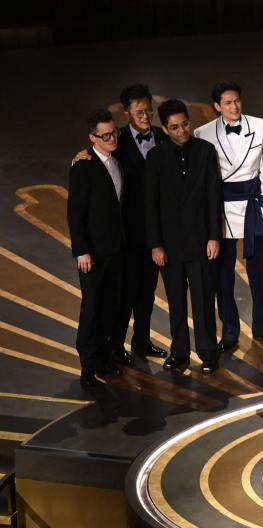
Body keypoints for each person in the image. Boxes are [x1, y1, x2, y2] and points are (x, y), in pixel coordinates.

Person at [73, 85, 170, 361]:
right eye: (139, 111)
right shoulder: (119, 140)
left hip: (155, 233)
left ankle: (142, 341)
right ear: (126, 112)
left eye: (148, 110)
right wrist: (78, 156)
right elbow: (97, 154)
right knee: (125, 294)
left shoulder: (162, 138)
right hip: (126, 234)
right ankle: (116, 346)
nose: (145, 115)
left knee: (148, 292)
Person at [194, 81, 263, 353]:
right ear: (217, 106)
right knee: (223, 277)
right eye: (227, 102)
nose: (234, 106)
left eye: (237, 100)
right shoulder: (202, 133)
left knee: (260, 272)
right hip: (222, 211)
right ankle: (229, 330)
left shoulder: (262, 126)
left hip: (253, 207)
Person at [144, 99, 222, 373]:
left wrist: (214, 237)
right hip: (170, 245)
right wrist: (155, 244)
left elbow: (214, 197)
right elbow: (150, 205)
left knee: (203, 301)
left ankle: (208, 353)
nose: (182, 131)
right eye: (174, 127)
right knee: (176, 302)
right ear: (164, 129)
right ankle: (179, 352)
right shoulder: (155, 157)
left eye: (185, 124)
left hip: (201, 241)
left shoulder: (205, 151)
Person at [68, 109, 126, 389]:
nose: (113, 138)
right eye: (106, 135)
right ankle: (88, 367)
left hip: (116, 250)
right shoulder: (83, 166)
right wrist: (81, 250)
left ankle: (105, 358)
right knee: (91, 308)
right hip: (92, 254)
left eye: (114, 132)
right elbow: (75, 213)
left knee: (110, 307)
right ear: (93, 138)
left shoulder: (117, 159)